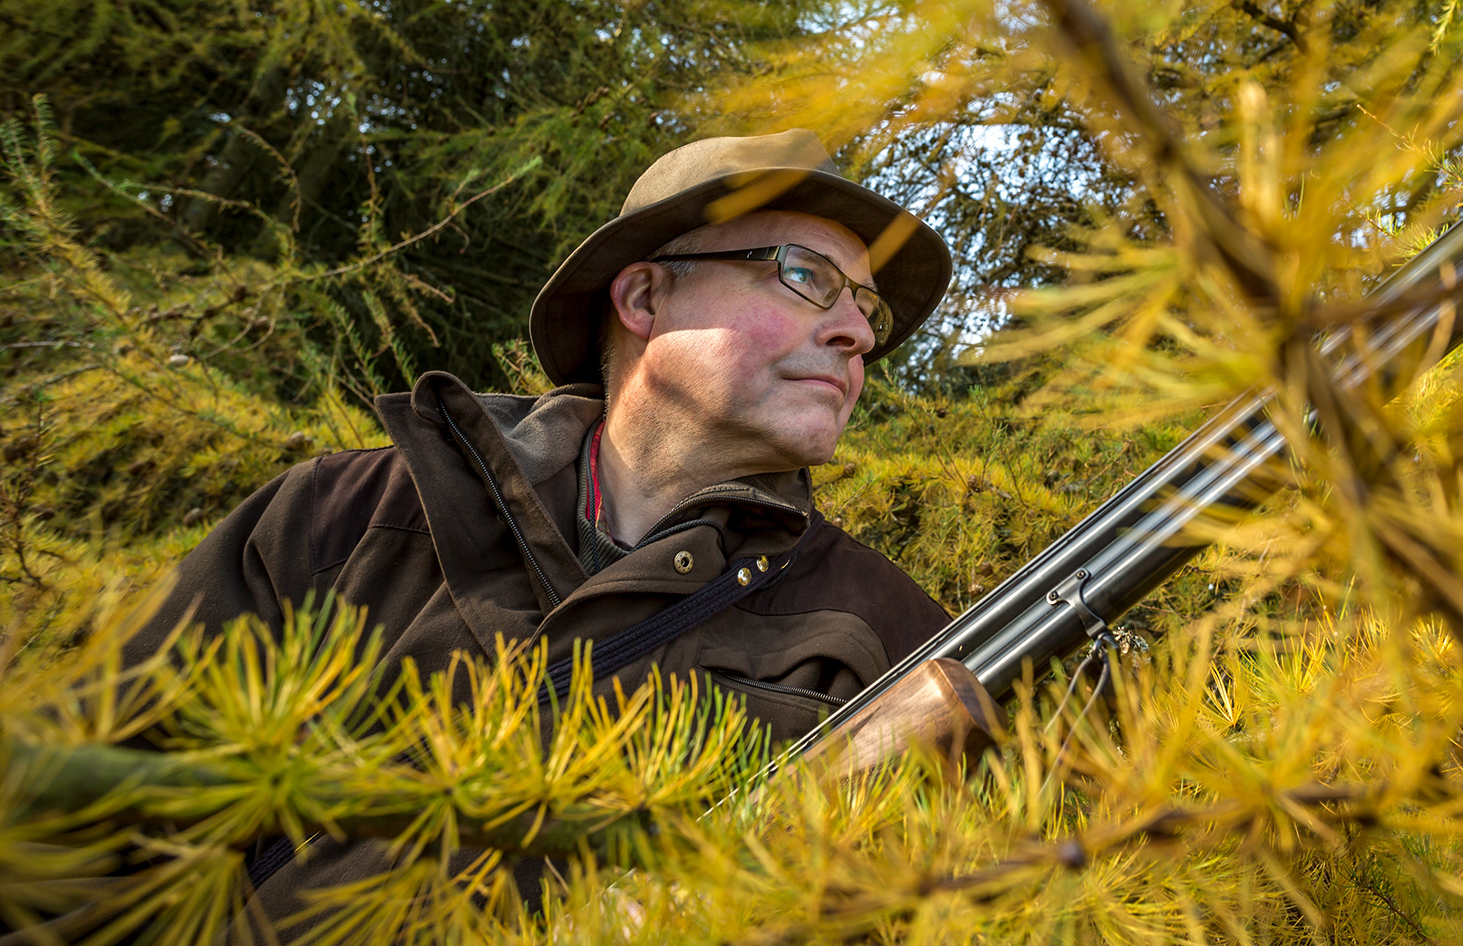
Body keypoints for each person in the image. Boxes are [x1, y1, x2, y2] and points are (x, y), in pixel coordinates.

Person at [117, 128, 956, 921]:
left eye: (867, 310)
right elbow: (93, 824)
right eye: (804, 275)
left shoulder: (888, 630)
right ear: (644, 297)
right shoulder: (354, 516)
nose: (855, 335)